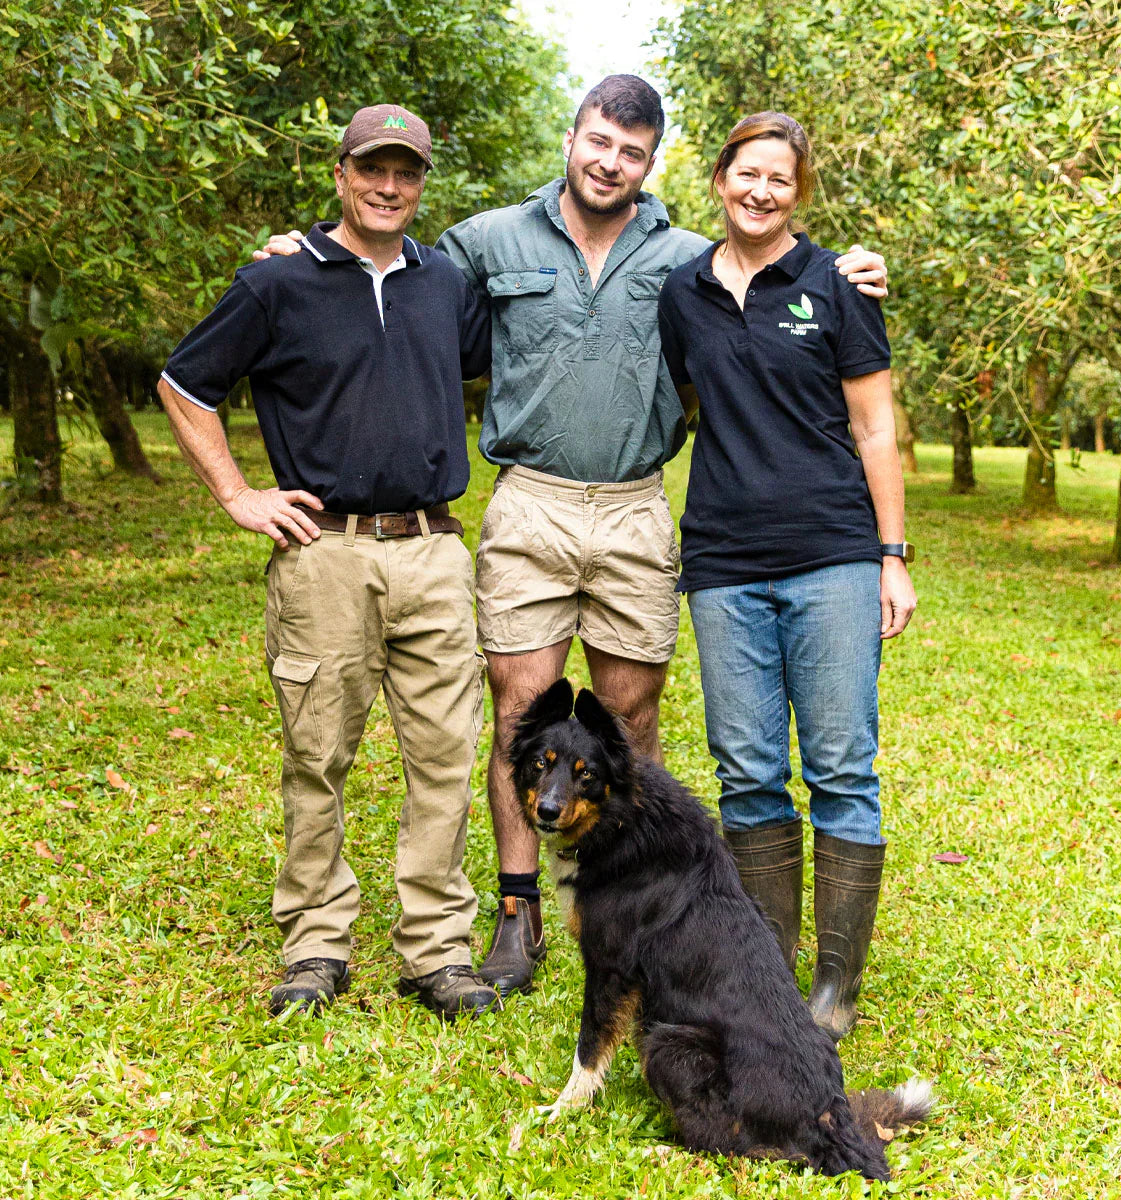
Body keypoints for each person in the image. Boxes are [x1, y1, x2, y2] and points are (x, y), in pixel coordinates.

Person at [254, 76, 890, 997]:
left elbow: (777, 271)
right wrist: (300, 250)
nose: (610, 161)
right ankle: (518, 918)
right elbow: (388, 260)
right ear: (571, 138)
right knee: (523, 710)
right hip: (531, 500)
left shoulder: (690, 258)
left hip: (635, 503)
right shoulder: (488, 241)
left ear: (655, 162)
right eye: (598, 141)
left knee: (629, 719)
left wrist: (851, 268)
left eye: (631, 151)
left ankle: (636, 904)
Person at [158, 104, 502, 1022]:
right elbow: (184, 384)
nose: (390, 187)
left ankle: (436, 949)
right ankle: (315, 941)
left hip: (432, 550)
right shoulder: (277, 284)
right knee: (318, 756)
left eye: (408, 172)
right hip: (325, 555)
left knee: (443, 756)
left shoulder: (443, 284)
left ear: (422, 183)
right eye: (373, 170)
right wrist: (239, 495)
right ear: (340, 174)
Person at [657, 111, 917, 1040]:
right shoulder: (682, 290)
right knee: (749, 774)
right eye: (745, 173)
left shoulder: (839, 283)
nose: (760, 191)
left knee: (843, 767)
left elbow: (876, 427)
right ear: (720, 178)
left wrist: (892, 555)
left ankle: (835, 993)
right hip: (724, 563)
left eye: (780, 179)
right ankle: (769, 977)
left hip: (834, 556)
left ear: (796, 193)